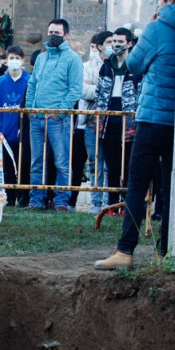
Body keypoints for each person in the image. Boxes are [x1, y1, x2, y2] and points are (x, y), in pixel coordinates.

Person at [95, 0, 175, 269]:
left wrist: (151, 29)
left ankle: (125, 250)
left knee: (136, 185)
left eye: (157, 0)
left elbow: (133, 65)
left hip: (152, 117)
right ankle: (164, 251)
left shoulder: (157, 28)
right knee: (171, 189)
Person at [25, 18, 83, 212]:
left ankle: (61, 201)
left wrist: (58, 113)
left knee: (61, 161)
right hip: (37, 119)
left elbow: (75, 90)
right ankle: (36, 199)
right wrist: (31, 109)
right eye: (51, 32)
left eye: (57, 33)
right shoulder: (41, 58)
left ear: (66, 35)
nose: (53, 36)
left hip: (59, 121)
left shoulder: (73, 59)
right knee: (36, 161)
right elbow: (32, 84)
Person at [96, 27, 143, 210]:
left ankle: (128, 205)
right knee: (112, 166)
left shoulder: (134, 66)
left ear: (129, 44)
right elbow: (100, 92)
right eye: (114, 41)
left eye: (120, 42)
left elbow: (139, 92)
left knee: (128, 166)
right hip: (109, 120)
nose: (116, 45)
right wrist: (99, 119)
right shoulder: (107, 65)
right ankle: (113, 205)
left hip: (129, 120)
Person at [0, 45, 30, 207]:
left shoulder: (29, 80)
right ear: (6, 60)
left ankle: (23, 196)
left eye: (17, 58)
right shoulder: (0, 82)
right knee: (7, 167)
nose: (14, 61)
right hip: (5, 132)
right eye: (11, 58)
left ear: (22, 60)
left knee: (23, 165)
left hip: (22, 131)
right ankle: (10, 197)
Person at [79, 31, 112, 215]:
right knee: (94, 163)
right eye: (108, 42)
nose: (112, 45)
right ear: (99, 46)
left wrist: (99, 88)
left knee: (109, 164)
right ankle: (95, 203)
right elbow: (84, 90)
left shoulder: (118, 65)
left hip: (111, 121)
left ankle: (109, 203)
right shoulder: (88, 66)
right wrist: (103, 89)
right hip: (92, 120)